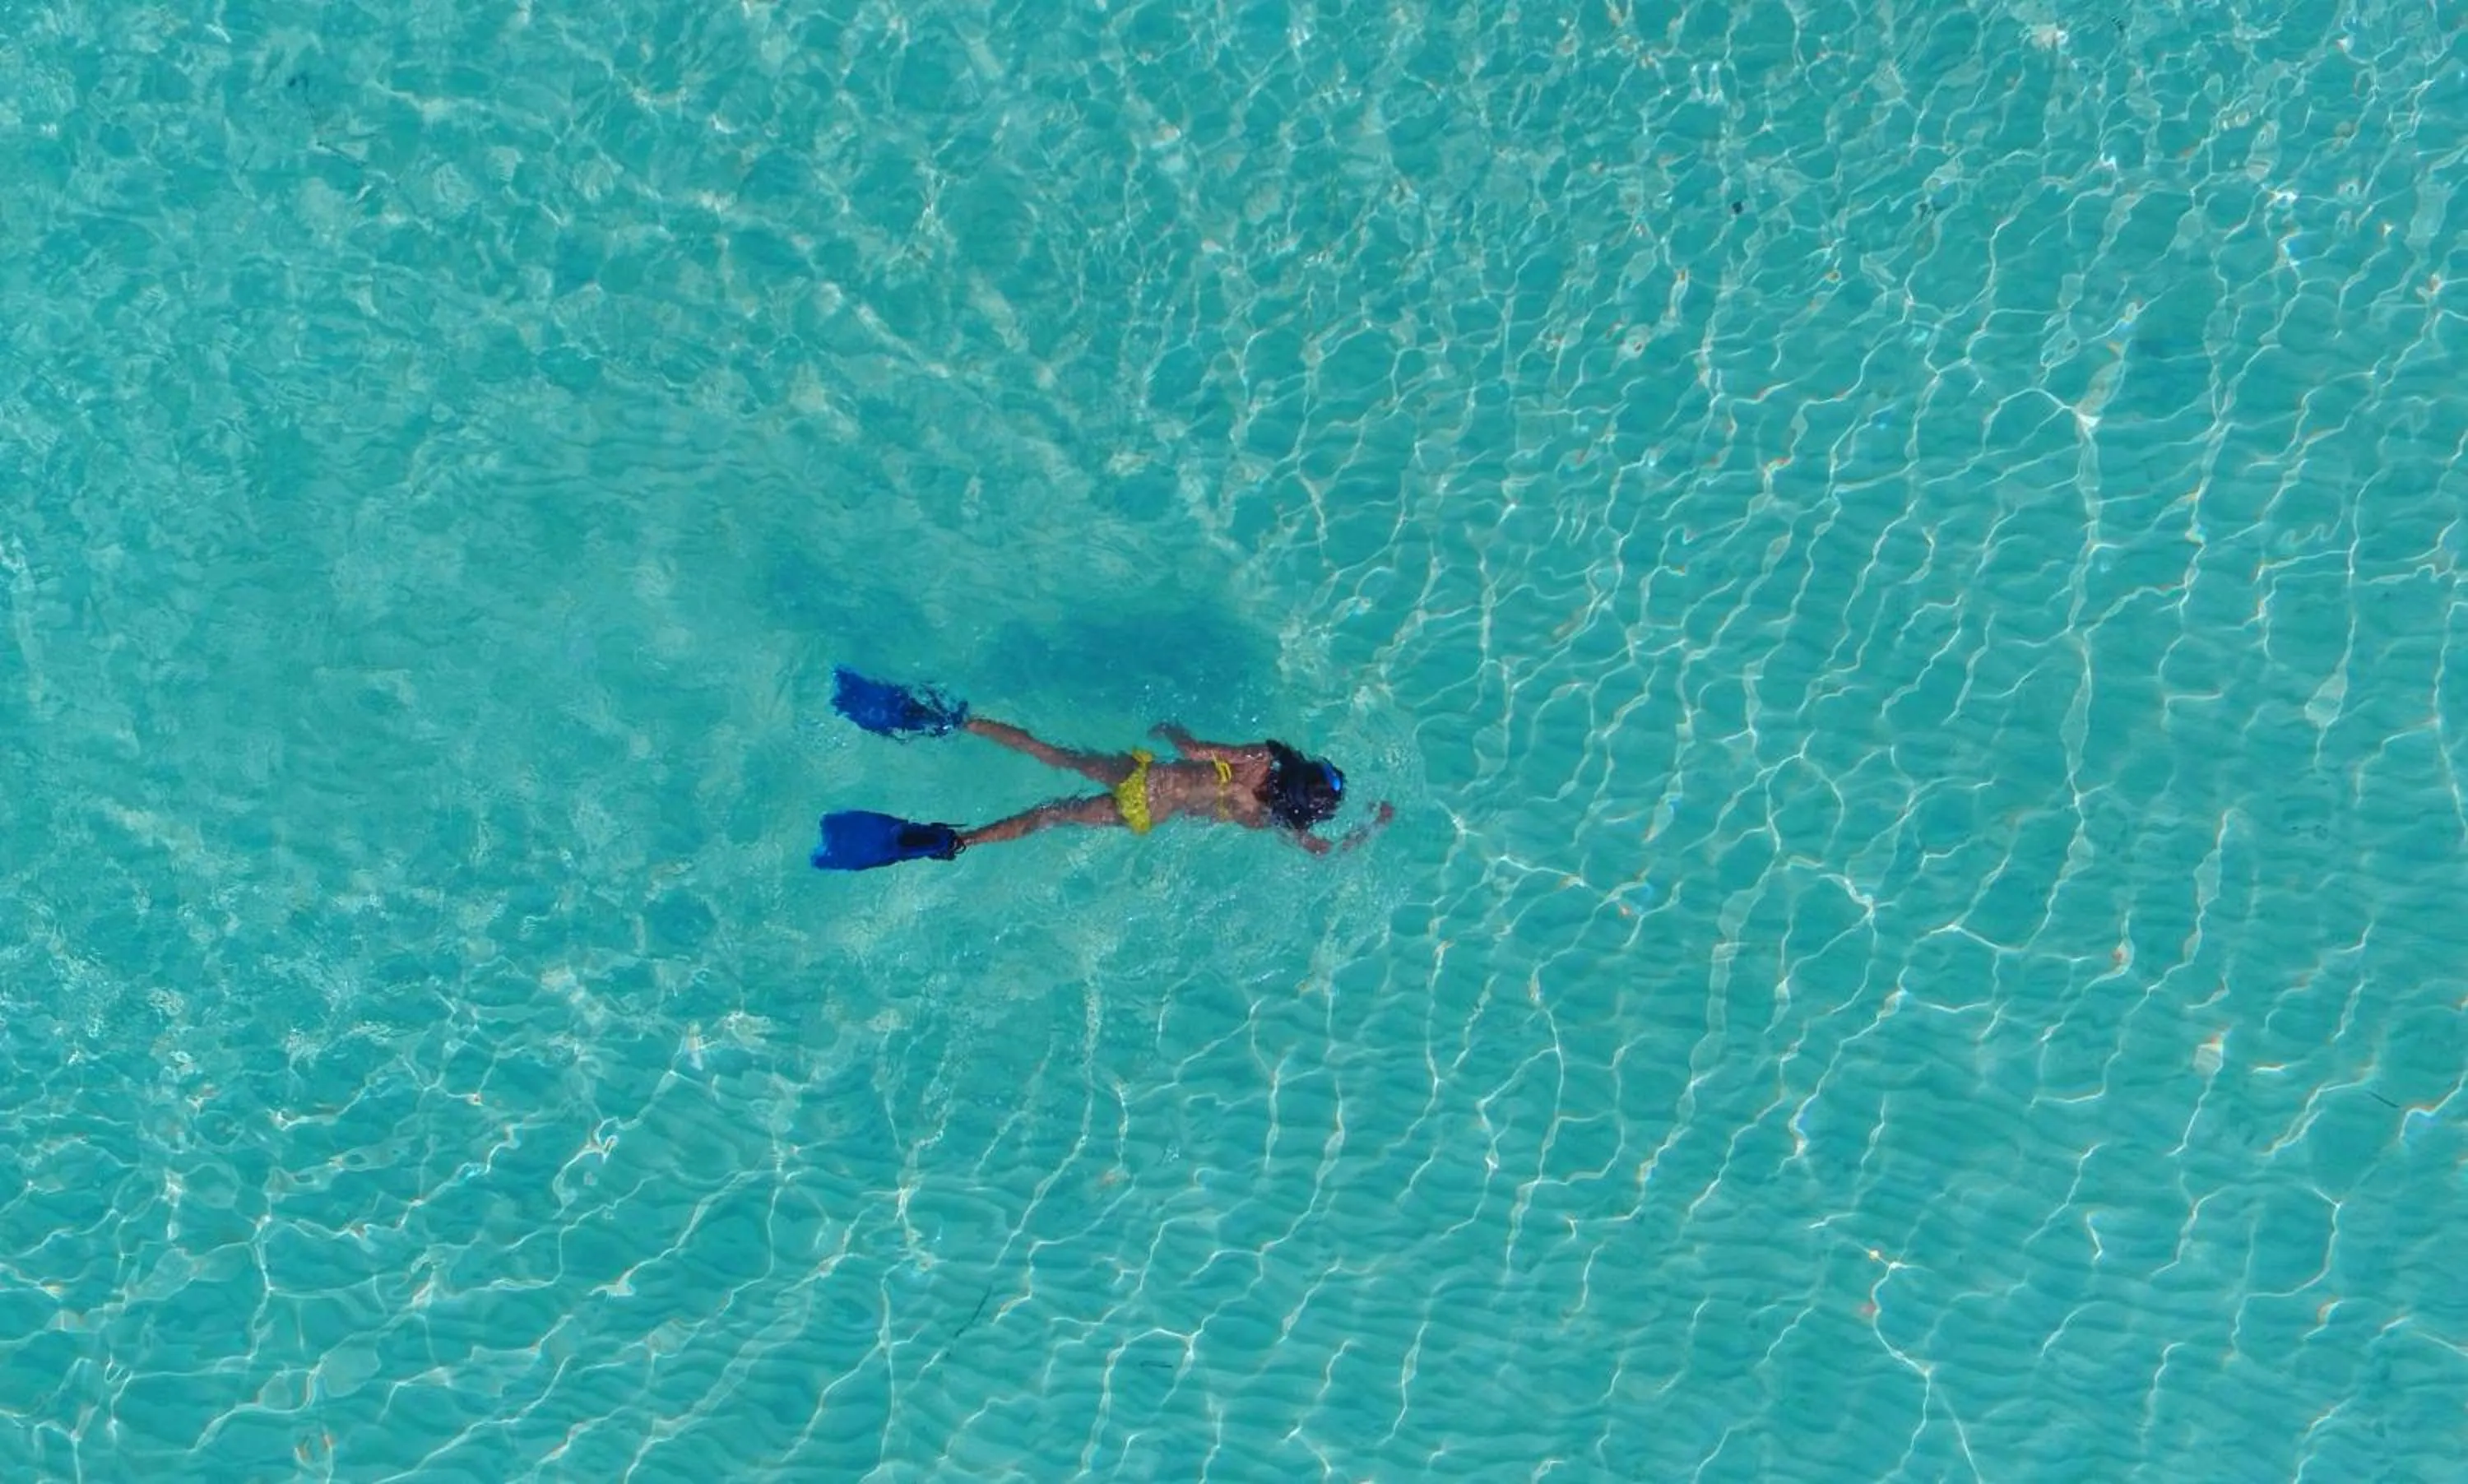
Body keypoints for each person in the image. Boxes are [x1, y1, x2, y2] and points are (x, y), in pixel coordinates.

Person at [812, 669, 1393, 870]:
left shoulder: (1261, 758)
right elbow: (1325, 853)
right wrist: (1374, 828)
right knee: (1048, 817)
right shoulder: (1267, 818)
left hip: (1147, 777)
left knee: (1050, 752)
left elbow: (1195, 752)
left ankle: (950, 722)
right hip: (1147, 812)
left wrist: (1170, 730)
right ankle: (953, 841)